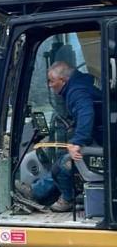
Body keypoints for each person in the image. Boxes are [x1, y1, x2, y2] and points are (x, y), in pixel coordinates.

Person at [19, 61, 102, 212]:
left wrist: (77, 142)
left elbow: (86, 113)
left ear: (63, 80)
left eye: (52, 81)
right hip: (104, 137)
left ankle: (67, 199)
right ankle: (37, 191)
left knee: (63, 165)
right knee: (64, 158)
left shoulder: (76, 91)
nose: (50, 85)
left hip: (104, 142)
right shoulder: (84, 80)